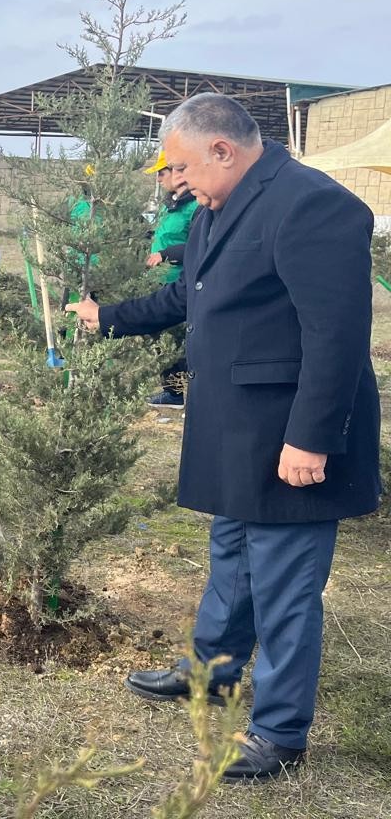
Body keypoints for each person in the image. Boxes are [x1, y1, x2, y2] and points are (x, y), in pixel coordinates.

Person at [65, 93, 381, 782]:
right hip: (236, 429)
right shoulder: (218, 211)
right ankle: (213, 672)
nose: (174, 181)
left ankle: (279, 730)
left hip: (289, 434)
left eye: (179, 166)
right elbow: (190, 297)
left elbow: (337, 336)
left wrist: (311, 438)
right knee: (232, 555)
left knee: (286, 583)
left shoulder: (311, 206)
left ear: (222, 151)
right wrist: (107, 317)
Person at [144, 149, 199, 409]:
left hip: (180, 282)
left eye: (161, 173)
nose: (158, 179)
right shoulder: (171, 205)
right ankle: (171, 390)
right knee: (162, 339)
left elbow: (198, 246)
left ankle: (178, 392)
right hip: (161, 280)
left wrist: (165, 254)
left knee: (176, 341)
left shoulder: (195, 207)